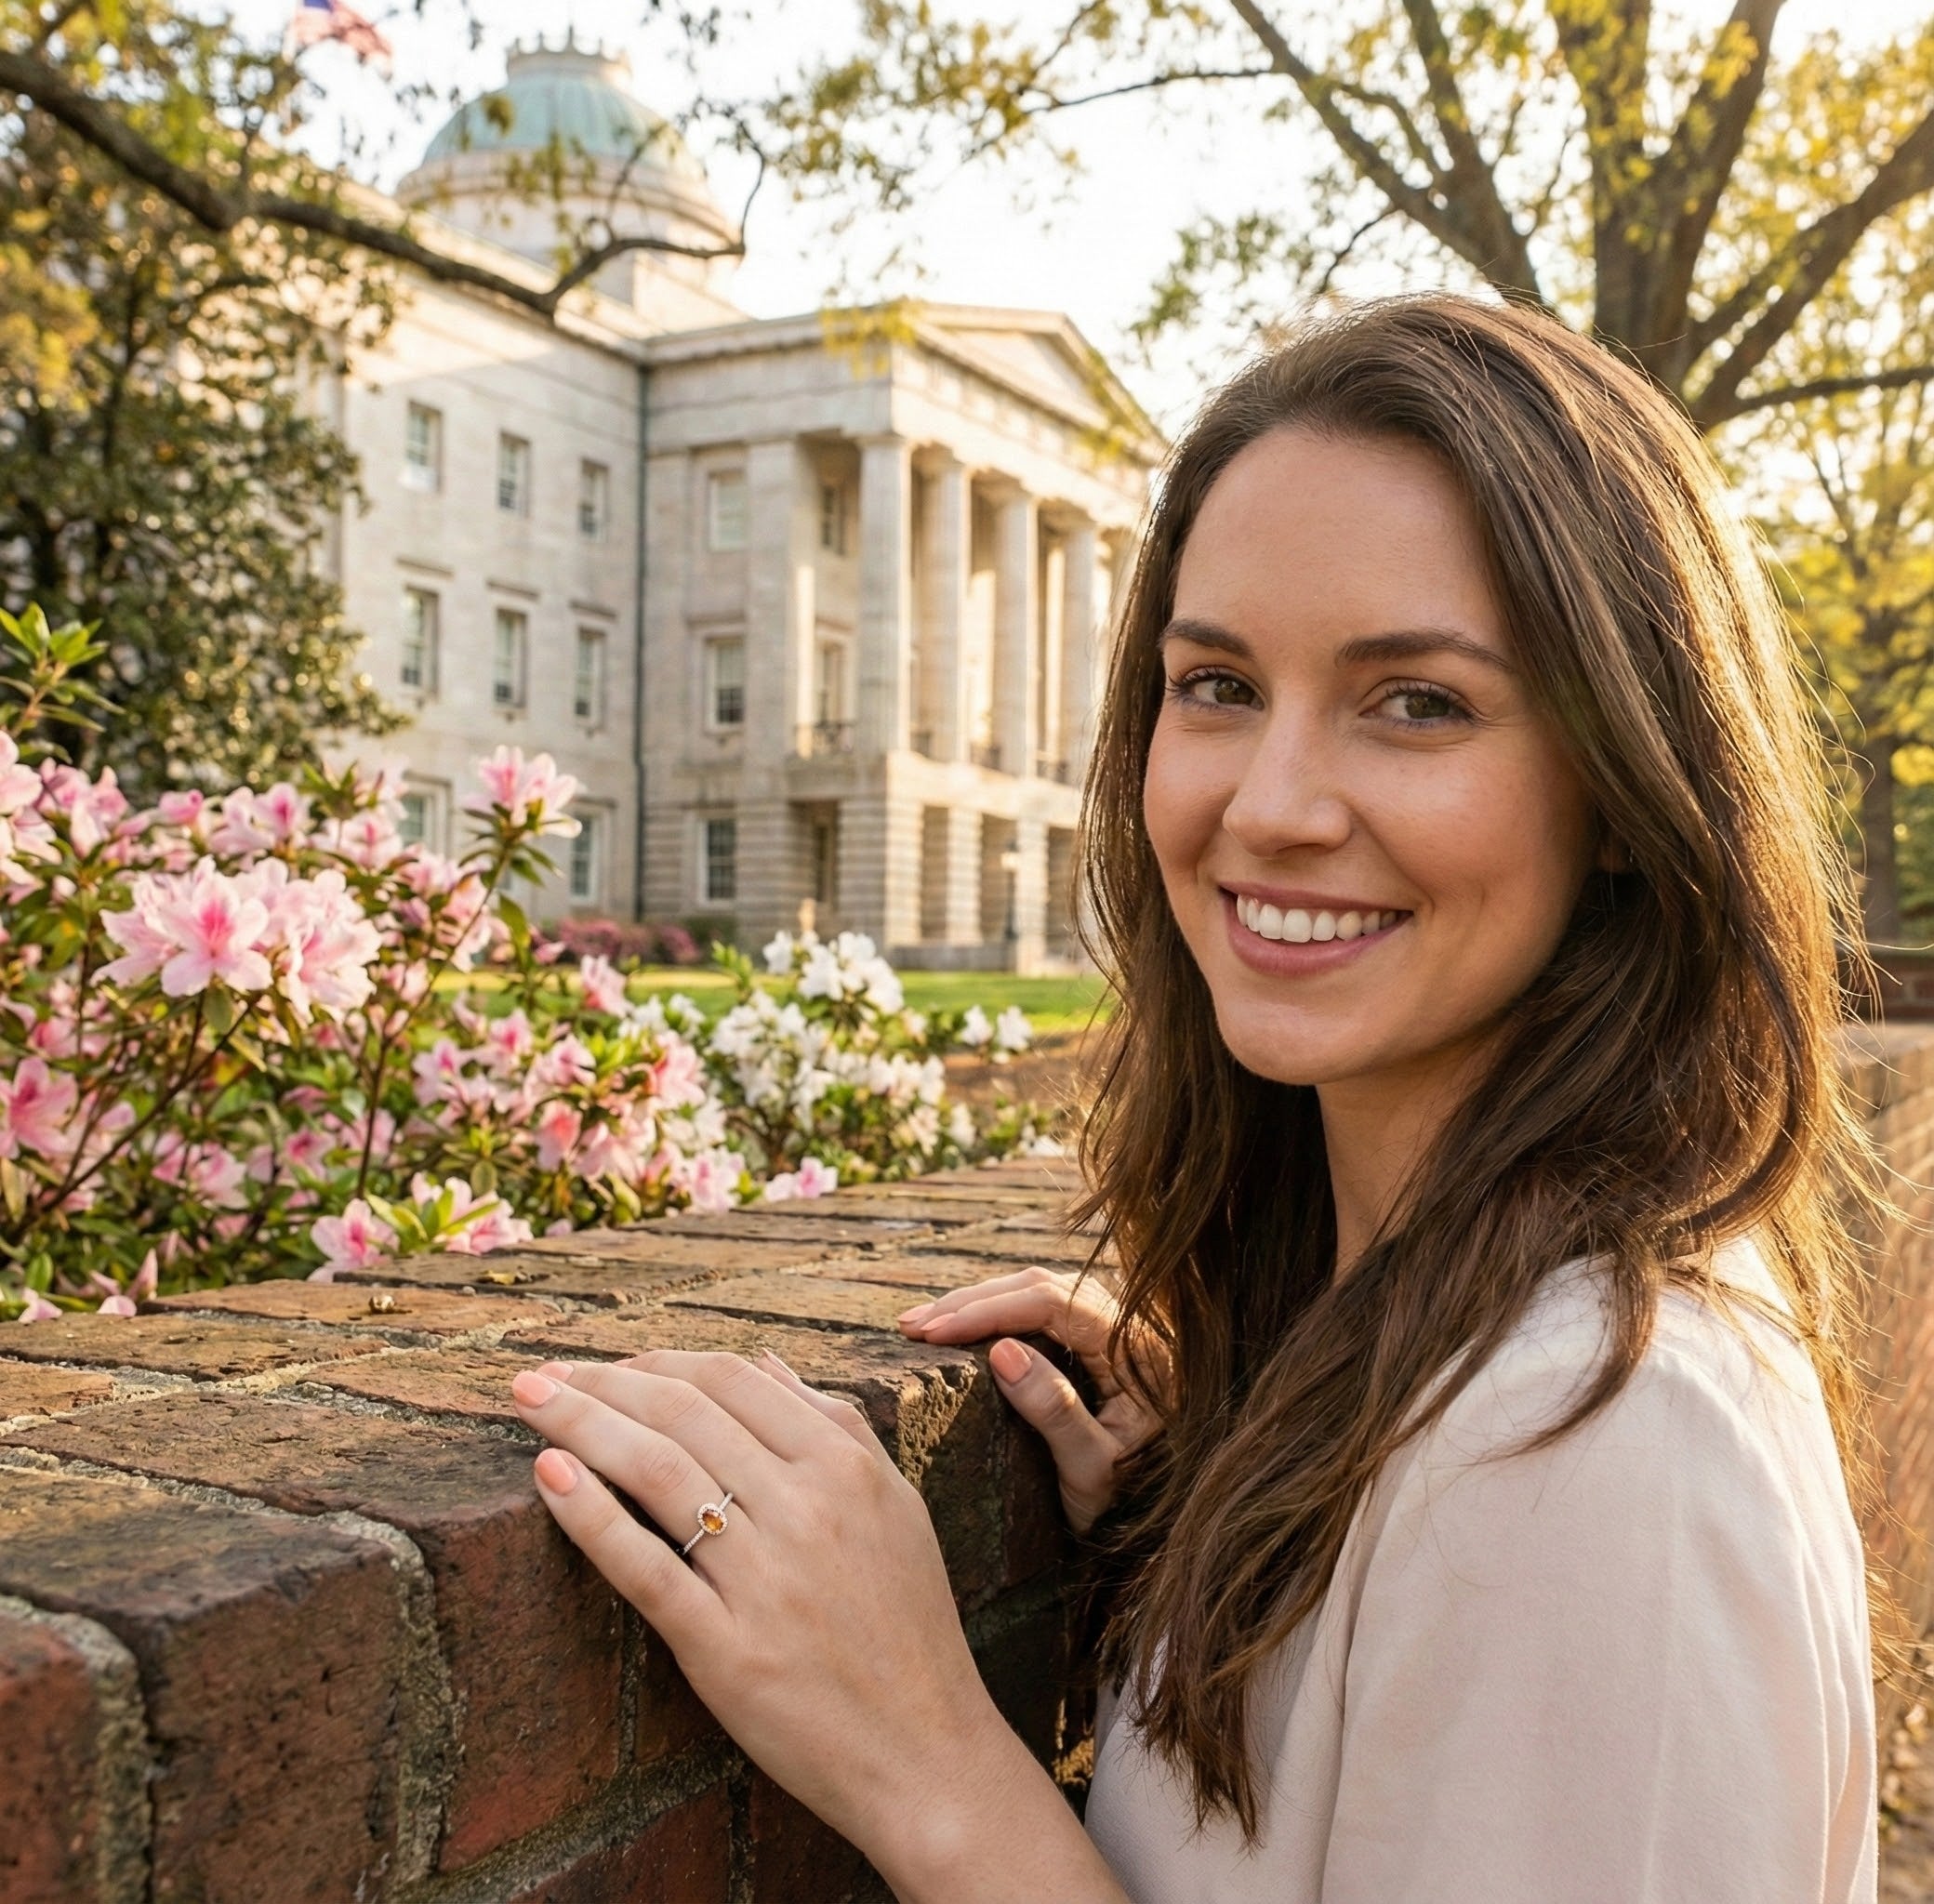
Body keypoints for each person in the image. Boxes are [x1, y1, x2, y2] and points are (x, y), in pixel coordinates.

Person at [507, 294, 1884, 1902]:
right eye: (1218, 682)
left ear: (1636, 790)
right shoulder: (1428, 1346)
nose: (1271, 805)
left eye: (1419, 701)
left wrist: (922, 1758)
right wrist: (1239, 1487)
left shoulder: (1597, 1438)